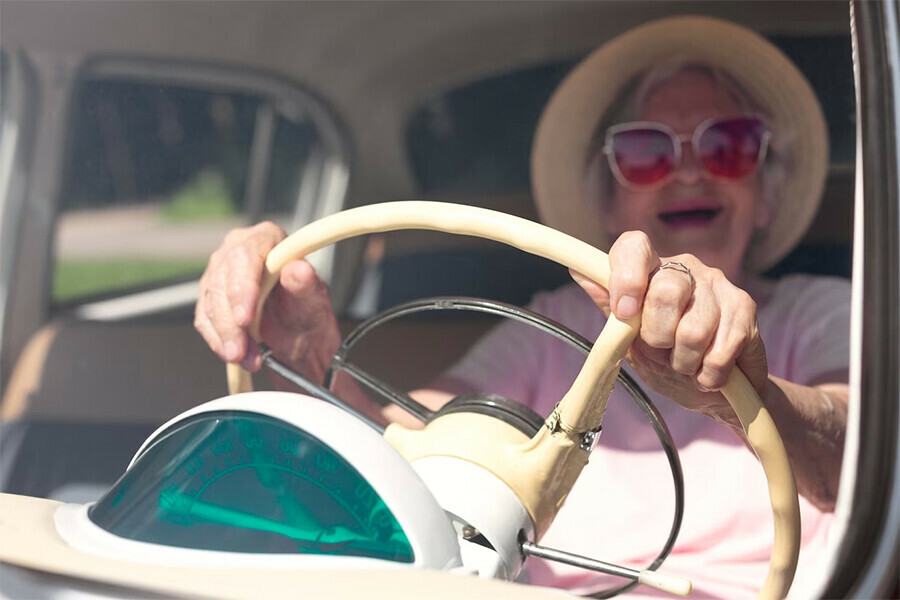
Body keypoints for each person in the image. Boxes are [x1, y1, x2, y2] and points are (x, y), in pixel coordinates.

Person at [194, 15, 849, 599]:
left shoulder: (822, 312)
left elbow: (860, 453)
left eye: (725, 145)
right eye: (645, 152)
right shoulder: (555, 325)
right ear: (608, 203)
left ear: (767, 191)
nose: (686, 173)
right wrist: (308, 364)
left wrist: (733, 391)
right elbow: (415, 439)